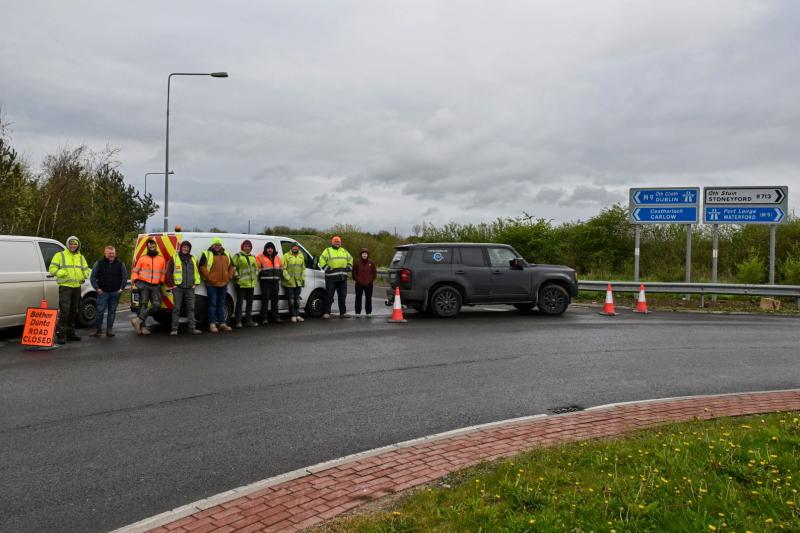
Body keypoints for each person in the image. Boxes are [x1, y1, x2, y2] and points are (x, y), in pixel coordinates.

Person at [49, 235, 90, 344]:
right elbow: (52, 269)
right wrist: (61, 273)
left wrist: (84, 275)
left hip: (77, 287)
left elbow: (86, 270)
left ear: (78, 245)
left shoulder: (81, 257)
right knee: (65, 312)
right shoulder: (60, 255)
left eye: (75, 244)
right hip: (65, 287)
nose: (73, 246)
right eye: (71, 244)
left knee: (74, 311)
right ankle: (61, 335)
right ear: (67, 244)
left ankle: (71, 333)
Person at [165, 240, 202, 336]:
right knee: (176, 308)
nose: (186, 249)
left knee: (191, 308)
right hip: (178, 288)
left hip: (190, 288)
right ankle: (174, 329)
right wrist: (172, 284)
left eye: (187, 247)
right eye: (184, 247)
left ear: (189, 249)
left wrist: (196, 284)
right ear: (181, 248)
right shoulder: (174, 257)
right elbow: (168, 272)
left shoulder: (193, 258)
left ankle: (192, 328)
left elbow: (197, 272)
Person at [89, 245, 127, 337]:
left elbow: (124, 277)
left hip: (115, 292)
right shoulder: (99, 263)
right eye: (109, 253)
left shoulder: (120, 264)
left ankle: (109, 330)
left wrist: (121, 289)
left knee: (112, 312)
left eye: (113, 253)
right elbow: (93, 277)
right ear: (105, 253)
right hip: (103, 292)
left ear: (115, 253)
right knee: (100, 311)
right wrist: (97, 288)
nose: (111, 255)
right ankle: (97, 329)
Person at [198, 237, 234, 333]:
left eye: (219, 245)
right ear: (212, 245)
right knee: (212, 304)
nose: (217, 246)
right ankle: (212, 324)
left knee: (221, 304)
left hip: (223, 283)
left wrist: (229, 277)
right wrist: (209, 277)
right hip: (211, 284)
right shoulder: (207, 254)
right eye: (215, 245)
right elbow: (201, 267)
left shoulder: (227, 254)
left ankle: (222, 323)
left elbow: (232, 267)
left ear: (221, 245)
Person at [130, 238, 166, 336]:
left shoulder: (161, 259)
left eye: (153, 246)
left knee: (156, 305)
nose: (152, 248)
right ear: (147, 247)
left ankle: (138, 320)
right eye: (150, 246)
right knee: (143, 305)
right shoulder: (142, 258)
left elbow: (163, 273)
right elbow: (134, 271)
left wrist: (161, 282)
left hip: (155, 286)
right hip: (144, 285)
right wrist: (137, 281)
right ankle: (143, 327)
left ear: (155, 246)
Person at [318, 236, 353, 319]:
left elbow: (350, 259)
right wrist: (327, 268)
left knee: (342, 296)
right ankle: (327, 312)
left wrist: (349, 266)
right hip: (331, 278)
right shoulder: (327, 251)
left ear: (340, 242)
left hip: (342, 278)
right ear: (332, 242)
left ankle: (343, 313)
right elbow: (321, 260)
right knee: (329, 296)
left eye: (338, 241)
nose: (337, 243)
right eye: (335, 241)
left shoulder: (344, 251)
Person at [233, 240, 259, 328]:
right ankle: (238, 321)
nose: (247, 247)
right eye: (246, 246)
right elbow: (233, 268)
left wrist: (256, 275)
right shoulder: (238, 256)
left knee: (249, 303)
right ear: (242, 247)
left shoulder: (253, 257)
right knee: (239, 303)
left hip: (251, 284)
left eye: (249, 246)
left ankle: (249, 321)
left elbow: (256, 268)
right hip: (241, 284)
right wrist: (237, 277)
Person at [256, 241, 283, 324]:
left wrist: (279, 274)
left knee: (275, 301)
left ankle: (276, 317)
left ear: (273, 249)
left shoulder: (277, 257)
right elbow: (257, 269)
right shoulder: (260, 257)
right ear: (265, 249)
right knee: (265, 300)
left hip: (275, 282)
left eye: (271, 248)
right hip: (265, 282)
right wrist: (264, 274)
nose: (270, 250)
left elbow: (281, 267)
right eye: (268, 248)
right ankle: (264, 318)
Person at [282, 241, 306, 323]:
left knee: (297, 299)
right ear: (291, 248)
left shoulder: (301, 256)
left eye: (296, 247)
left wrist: (302, 278)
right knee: (291, 300)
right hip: (289, 282)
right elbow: (283, 268)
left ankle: (297, 315)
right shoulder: (286, 256)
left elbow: (303, 268)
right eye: (294, 247)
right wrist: (287, 278)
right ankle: (292, 315)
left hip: (298, 281)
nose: (295, 248)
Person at [352, 247, 377, 318]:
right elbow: (354, 273)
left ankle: (368, 312)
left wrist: (370, 281)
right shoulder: (357, 263)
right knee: (358, 298)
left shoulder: (371, 263)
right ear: (361, 254)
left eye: (365, 254)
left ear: (368, 254)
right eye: (363, 254)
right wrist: (358, 280)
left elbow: (374, 274)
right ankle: (357, 312)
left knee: (368, 298)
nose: (364, 255)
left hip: (369, 284)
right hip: (359, 284)